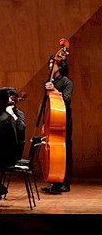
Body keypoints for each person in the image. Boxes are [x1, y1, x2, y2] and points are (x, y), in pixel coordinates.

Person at [41, 55, 73, 193]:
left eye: (51, 64)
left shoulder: (67, 82)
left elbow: (66, 99)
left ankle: (65, 182)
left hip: (63, 121)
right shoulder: (50, 81)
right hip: (52, 120)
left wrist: (54, 90)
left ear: (59, 66)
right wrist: (44, 122)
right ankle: (55, 180)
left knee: (65, 151)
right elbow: (47, 105)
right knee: (53, 152)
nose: (49, 66)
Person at [4, 87, 26, 159]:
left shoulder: (18, 113)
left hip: (12, 154)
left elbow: (21, 128)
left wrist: (11, 113)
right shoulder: (2, 113)